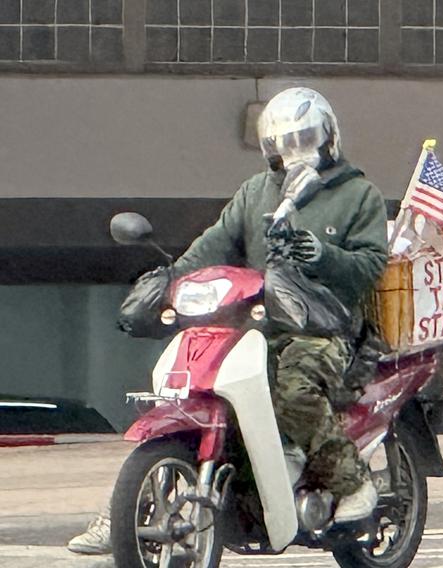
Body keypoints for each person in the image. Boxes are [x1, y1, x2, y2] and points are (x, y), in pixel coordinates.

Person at [67, 87, 389, 554]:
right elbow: (212, 246)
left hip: (324, 328)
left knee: (292, 388)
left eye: (305, 136)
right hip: (254, 325)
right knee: (189, 384)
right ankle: (127, 510)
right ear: (268, 146)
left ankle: (351, 482)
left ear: (328, 137)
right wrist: (167, 278)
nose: (295, 148)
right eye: (284, 140)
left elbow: (370, 267)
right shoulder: (256, 192)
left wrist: (324, 256)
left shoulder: (359, 194)